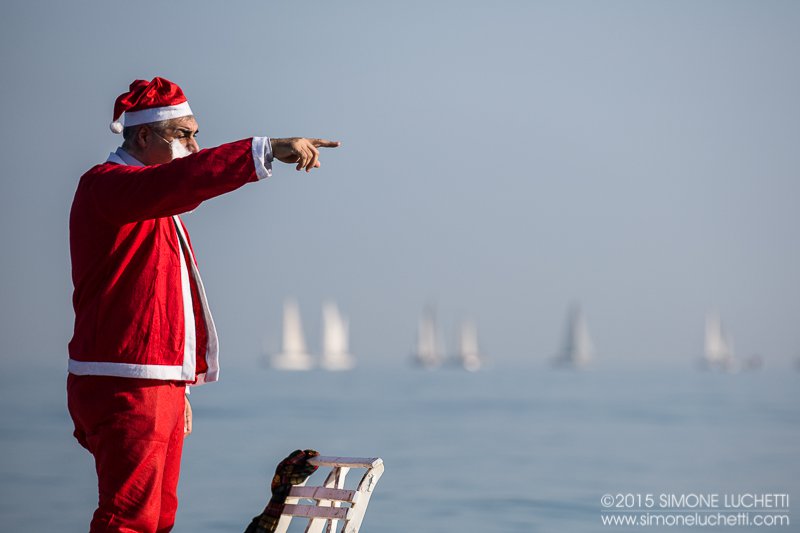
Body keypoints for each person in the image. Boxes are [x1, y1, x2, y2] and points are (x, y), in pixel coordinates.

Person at [67, 77, 339, 533]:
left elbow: (162, 299)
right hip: (127, 381)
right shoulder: (107, 186)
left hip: (154, 379)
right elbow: (184, 179)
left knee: (158, 516)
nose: (195, 145)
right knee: (130, 518)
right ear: (145, 136)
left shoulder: (147, 202)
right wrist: (267, 149)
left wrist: (181, 383)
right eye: (184, 134)